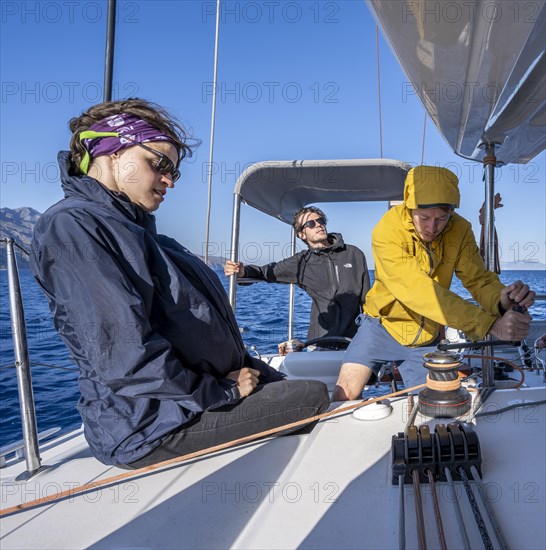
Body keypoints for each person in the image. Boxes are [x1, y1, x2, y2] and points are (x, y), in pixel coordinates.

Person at [30, 98, 329, 468]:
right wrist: (224, 389)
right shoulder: (73, 227)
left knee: (303, 390)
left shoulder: (144, 235)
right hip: (149, 425)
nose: (169, 179)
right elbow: (123, 355)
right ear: (110, 151)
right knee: (312, 397)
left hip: (189, 400)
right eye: (159, 164)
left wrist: (250, 372)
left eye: (174, 171)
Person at [333, 166, 536, 400]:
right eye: (424, 218)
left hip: (426, 336)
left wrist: (501, 300)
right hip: (381, 326)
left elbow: (478, 279)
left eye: (441, 218)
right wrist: (489, 324)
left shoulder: (460, 230)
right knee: (343, 397)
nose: (432, 227)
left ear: (451, 213)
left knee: (433, 409)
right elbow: (416, 290)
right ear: (410, 208)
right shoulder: (387, 230)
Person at [224, 206, 370, 343]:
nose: (318, 225)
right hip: (321, 341)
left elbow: (367, 299)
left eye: (320, 221)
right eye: (311, 224)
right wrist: (243, 272)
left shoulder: (353, 254)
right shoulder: (301, 262)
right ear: (301, 234)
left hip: (355, 340)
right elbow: (266, 272)